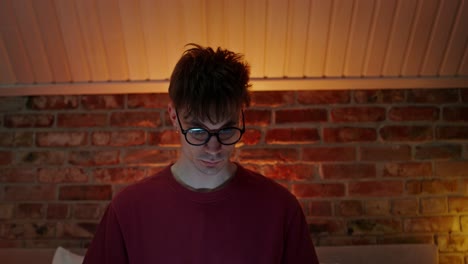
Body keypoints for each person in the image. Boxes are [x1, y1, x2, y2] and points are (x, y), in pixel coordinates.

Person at [83, 44, 319, 264]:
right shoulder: (128, 210)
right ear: (174, 117)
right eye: (198, 131)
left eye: (226, 130)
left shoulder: (280, 208)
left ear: (241, 116)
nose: (214, 148)